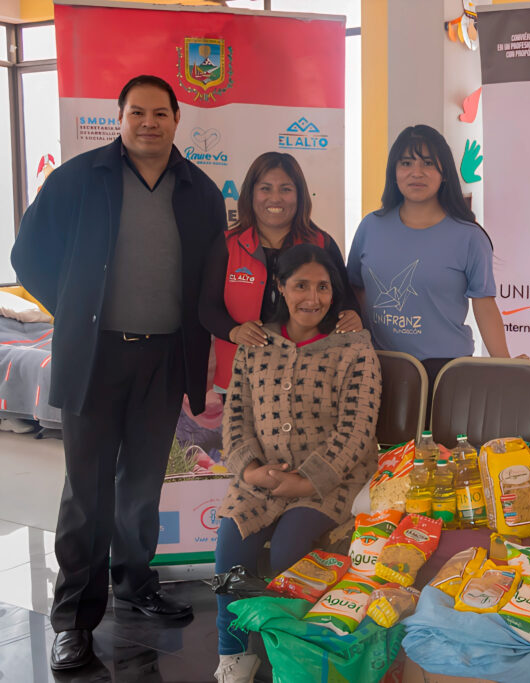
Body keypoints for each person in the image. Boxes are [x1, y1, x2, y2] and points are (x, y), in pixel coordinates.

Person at [10, 75, 226, 671]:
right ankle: (73, 619)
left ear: (177, 118)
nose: (148, 123)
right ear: (120, 118)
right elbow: (27, 256)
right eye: (137, 113)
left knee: (142, 484)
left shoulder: (200, 191)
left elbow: (208, 281)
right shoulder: (80, 179)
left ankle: (135, 584)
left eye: (160, 113)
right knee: (87, 491)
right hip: (96, 356)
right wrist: (76, 307)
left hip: (163, 358)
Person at [212, 244, 381, 682]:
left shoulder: (354, 346)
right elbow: (236, 419)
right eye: (301, 285)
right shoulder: (256, 344)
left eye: (323, 287)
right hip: (260, 474)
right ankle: (233, 651)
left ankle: (293, 650)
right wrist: (249, 470)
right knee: (231, 547)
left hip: (332, 480)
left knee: (291, 554)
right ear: (281, 288)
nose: (313, 296)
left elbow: (357, 429)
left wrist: (307, 483)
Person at [347, 124, 518, 393]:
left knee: (439, 438)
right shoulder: (370, 226)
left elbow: (484, 306)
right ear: (394, 171)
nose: (416, 172)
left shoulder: (469, 236)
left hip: (445, 373)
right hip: (377, 366)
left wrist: (506, 367)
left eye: (428, 163)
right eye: (406, 163)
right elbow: (354, 290)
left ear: (445, 173)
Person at [200, 151, 362, 395]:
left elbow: (346, 301)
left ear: (299, 195)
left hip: (308, 378)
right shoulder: (227, 245)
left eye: (286, 189)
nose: (275, 198)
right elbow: (207, 308)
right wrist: (235, 331)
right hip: (241, 378)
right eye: (265, 188)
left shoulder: (322, 245)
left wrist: (352, 316)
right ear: (251, 194)